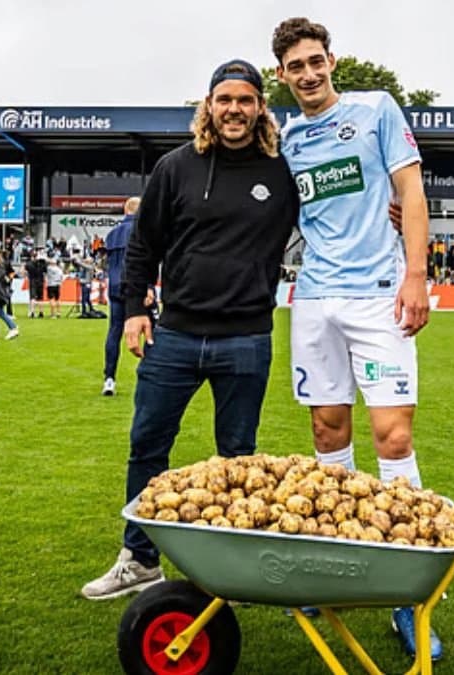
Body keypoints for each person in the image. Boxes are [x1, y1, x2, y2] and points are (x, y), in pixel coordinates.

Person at [80, 58, 298, 601]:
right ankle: (139, 558)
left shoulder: (281, 170)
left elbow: (334, 214)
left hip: (247, 338)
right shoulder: (175, 167)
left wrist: (389, 211)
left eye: (246, 100)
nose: (234, 109)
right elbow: (142, 246)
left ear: (260, 108)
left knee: (238, 455)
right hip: (174, 334)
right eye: (224, 99)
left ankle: (232, 564)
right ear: (209, 105)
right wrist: (134, 310)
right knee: (147, 444)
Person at [272, 17, 437, 660]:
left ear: (332, 61)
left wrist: (417, 276)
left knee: (392, 436)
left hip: (378, 296)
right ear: (282, 76)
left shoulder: (376, 110)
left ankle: (408, 589)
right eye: (296, 67)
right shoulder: (286, 140)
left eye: (316, 61)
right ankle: (335, 561)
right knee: (326, 434)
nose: (308, 74)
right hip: (313, 299)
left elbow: (411, 191)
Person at [101, 197, 149, 396]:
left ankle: (109, 378)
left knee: (114, 331)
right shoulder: (141, 232)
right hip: (136, 287)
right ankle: (150, 376)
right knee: (149, 329)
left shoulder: (111, 234)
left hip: (115, 286)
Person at [23, 249, 47, 318]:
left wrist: (26, 276)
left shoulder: (29, 263)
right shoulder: (42, 263)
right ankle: (41, 312)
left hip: (33, 281)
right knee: (40, 298)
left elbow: (23, 272)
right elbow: (45, 273)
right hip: (41, 281)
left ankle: (32, 312)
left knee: (33, 297)